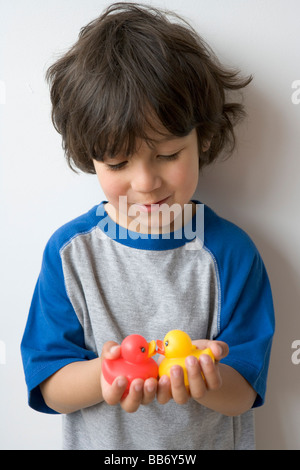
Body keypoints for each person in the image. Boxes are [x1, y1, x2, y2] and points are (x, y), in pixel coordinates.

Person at [21, 2, 275, 450]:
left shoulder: (231, 253)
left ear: (204, 138)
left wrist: (202, 377)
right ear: (89, 157)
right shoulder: (70, 254)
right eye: (118, 162)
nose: (145, 182)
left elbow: (245, 393)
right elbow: (49, 386)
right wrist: (110, 373)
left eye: (168, 154)